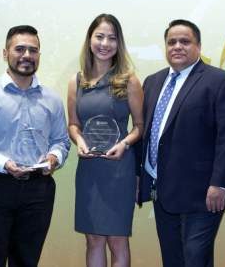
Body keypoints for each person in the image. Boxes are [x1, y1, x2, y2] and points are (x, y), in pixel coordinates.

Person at [0, 25, 70, 267]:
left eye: (33, 50)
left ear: (39, 55)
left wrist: (54, 158)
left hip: (38, 192)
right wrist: (3, 163)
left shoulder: (52, 99)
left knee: (27, 261)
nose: (27, 55)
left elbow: (61, 140)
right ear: (5, 53)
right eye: (20, 49)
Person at [137, 19, 225, 267]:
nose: (177, 46)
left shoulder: (220, 81)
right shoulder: (153, 82)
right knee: (172, 260)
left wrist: (221, 183)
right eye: (171, 42)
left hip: (204, 194)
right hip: (162, 191)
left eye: (185, 41)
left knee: (195, 259)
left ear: (198, 46)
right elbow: (147, 134)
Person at [67, 14, 143, 267]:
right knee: (93, 240)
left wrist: (125, 144)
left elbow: (140, 127)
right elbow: (73, 124)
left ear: (118, 43)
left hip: (119, 169)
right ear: (90, 40)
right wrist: (78, 140)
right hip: (89, 169)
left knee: (117, 240)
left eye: (112, 38)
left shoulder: (129, 80)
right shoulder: (76, 82)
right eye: (99, 36)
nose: (105, 43)